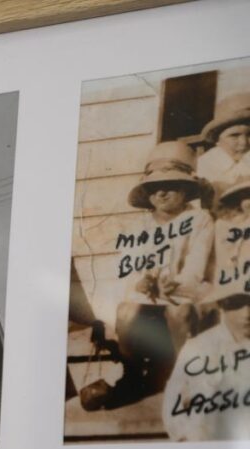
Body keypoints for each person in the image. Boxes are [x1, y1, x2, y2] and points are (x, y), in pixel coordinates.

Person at [91, 141, 214, 409]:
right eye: (154, 187)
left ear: (186, 190)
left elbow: (196, 265)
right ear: (147, 194)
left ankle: (185, 377)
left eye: (171, 185)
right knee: (125, 311)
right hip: (147, 297)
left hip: (186, 293)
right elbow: (128, 266)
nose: (162, 192)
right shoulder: (139, 226)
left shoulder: (199, 220)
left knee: (178, 313)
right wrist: (141, 279)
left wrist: (175, 282)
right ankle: (133, 375)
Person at [162, 274, 250, 442]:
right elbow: (173, 402)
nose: (246, 313)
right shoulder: (199, 347)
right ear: (222, 304)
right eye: (237, 304)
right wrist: (188, 437)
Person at [197, 93, 250, 202]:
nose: (244, 142)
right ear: (217, 140)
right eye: (234, 136)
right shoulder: (207, 163)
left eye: (249, 135)